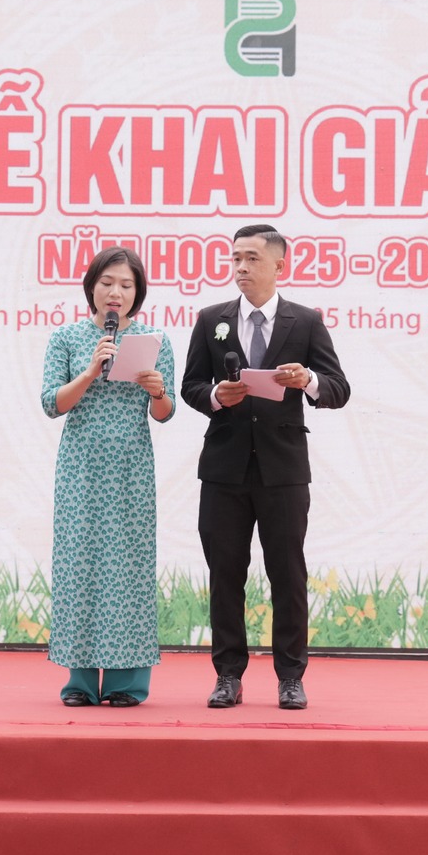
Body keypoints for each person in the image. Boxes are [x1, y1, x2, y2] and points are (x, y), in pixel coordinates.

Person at [180, 224, 350, 710]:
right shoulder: (211, 319)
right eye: (235, 258)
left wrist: (308, 380)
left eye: (252, 259)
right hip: (224, 470)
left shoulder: (306, 321)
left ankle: (290, 677)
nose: (241, 267)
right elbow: (191, 386)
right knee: (225, 574)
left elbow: (338, 389)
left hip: (283, 471)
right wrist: (217, 395)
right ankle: (228, 676)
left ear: (279, 265)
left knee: (287, 575)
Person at [40, 247, 175, 707]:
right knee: (80, 565)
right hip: (80, 469)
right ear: (92, 287)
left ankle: (125, 684)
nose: (116, 292)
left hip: (130, 469)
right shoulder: (67, 338)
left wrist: (157, 390)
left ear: (138, 293)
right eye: (107, 283)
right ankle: (79, 683)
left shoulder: (155, 341)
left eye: (126, 285)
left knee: (128, 570)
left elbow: (165, 413)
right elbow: (52, 403)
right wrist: (89, 371)